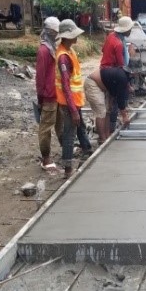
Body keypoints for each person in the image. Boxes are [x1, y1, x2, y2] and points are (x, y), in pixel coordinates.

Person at [56, 19, 92, 178]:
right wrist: (73, 110)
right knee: (70, 133)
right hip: (68, 102)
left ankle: (87, 150)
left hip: (75, 101)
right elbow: (65, 85)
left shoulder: (70, 51)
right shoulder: (63, 57)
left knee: (80, 126)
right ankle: (68, 168)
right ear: (67, 36)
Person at [35, 17, 63, 173]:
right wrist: (40, 98)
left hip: (57, 93)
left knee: (61, 125)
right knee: (46, 128)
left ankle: (66, 152)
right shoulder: (44, 51)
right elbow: (40, 77)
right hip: (49, 96)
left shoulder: (52, 48)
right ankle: (46, 158)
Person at [100, 16, 133, 129]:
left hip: (109, 71)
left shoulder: (112, 36)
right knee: (117, 97)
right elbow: (121, 64)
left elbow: (103, 50)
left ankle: (112, 125)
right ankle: (112, 126)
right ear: (126, 30)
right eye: (130, 29)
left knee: (113, 99)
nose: (131, 31)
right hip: (112, 72)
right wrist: (127, 83)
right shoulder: (118, 43)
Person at [84, 69, 110, 145]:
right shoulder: (120, 77)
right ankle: (102, 139)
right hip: (93, 83)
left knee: (108, 110)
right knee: (101, 112)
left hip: (104, 84)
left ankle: (107, 136)